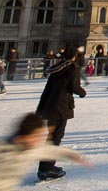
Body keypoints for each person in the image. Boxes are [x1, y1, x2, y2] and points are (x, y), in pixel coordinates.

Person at [0, 113, 91, 191]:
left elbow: (49, 150)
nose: (40, 140)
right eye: (36, 137)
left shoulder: (30, 149)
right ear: (23, 137)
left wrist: (70, 154)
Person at [35, 45, 86, 181]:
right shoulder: (72, 67)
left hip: (50, 106)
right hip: (61, 106)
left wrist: (41, 107)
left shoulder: (58, 67)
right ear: (74, 56)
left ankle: (44, 168)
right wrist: (82, 92)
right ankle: (48, 170)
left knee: (50, 137)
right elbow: (73, 86)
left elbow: (47, 89)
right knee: (55, 138)